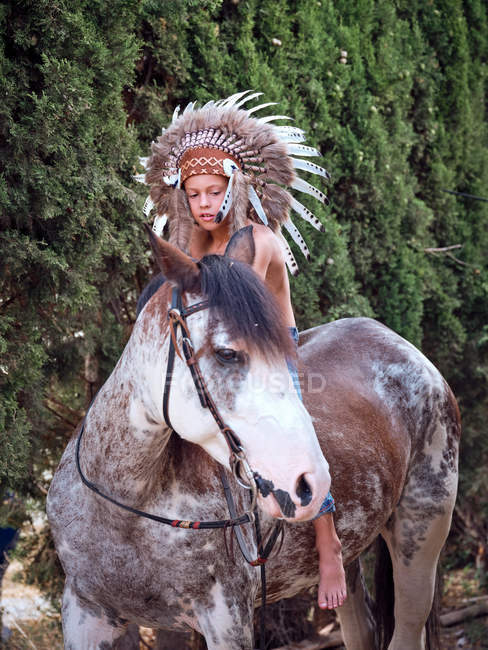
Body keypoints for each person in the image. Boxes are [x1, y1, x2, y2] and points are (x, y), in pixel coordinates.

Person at [136, 92, 347, 609]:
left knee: (295, 420)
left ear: (235, 186)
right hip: (224, 352)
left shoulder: (256, 239)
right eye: (194, 193)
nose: (205, 203)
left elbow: (234, 318)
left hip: (271, 348)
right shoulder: (193, 246)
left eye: (214, 191)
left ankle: (328, 544)